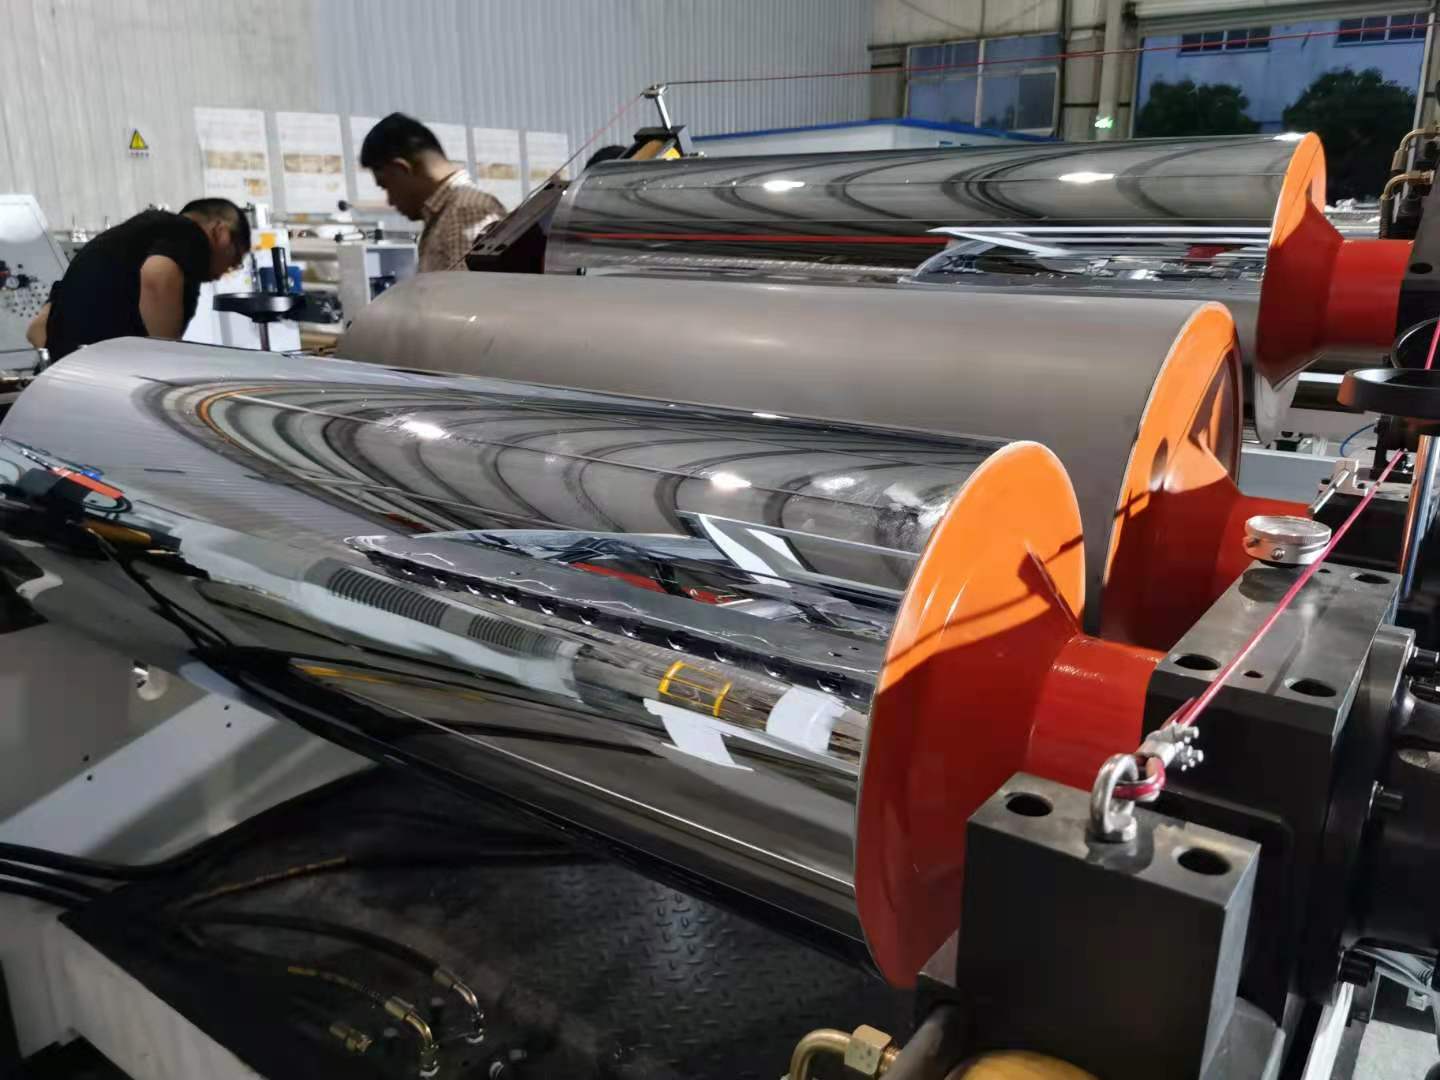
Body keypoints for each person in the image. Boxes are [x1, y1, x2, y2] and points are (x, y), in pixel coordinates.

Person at [28, 198, 249, 362]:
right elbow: (158, 277)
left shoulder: (117, 241)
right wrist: (170, 364)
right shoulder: (188, 232)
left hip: (67, 378)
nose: (224, 273)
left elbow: (36, 329)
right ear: (221, 233)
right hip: (112, 376)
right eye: (235, 259)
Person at [360, 113, 507, 272]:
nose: (390, 201)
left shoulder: (465, 211)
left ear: (401, 169)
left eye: (386, 186)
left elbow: (470, 288)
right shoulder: (445, 215)